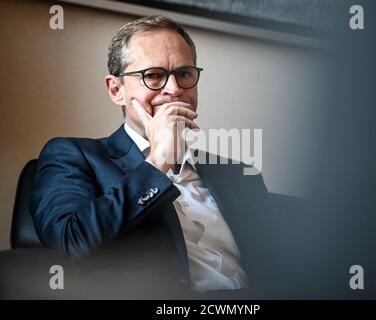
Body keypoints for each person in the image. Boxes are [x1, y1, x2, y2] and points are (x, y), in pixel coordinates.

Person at [29, 15, 270, 298]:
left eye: (185, 74)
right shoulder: (73, 155)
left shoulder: (239, 174)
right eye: (153, 76)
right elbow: (71, 241)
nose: (175, 89)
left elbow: (284, 265)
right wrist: (158, 162)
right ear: (116, 90)